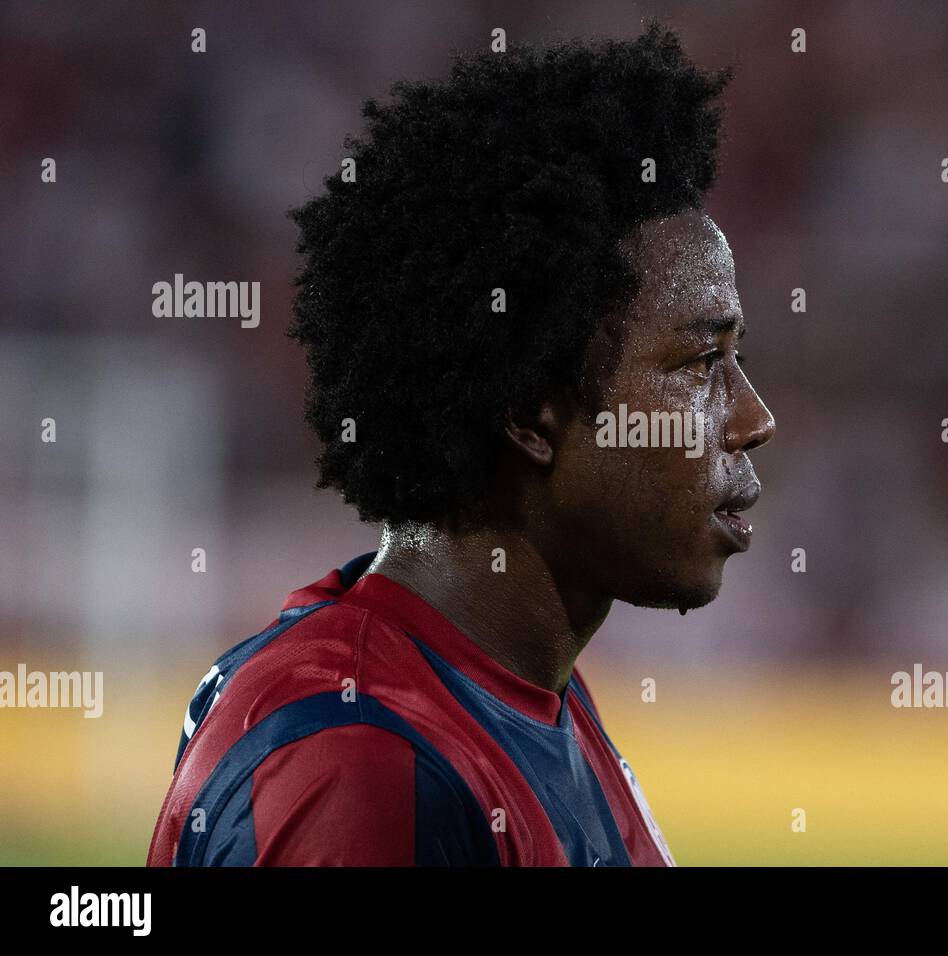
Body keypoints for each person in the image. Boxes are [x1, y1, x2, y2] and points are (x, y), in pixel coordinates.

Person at [148, 20, 774, 867]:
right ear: (528, 413)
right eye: (701, 363)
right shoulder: (363, 766)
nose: (751, 418)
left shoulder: (527, 694)